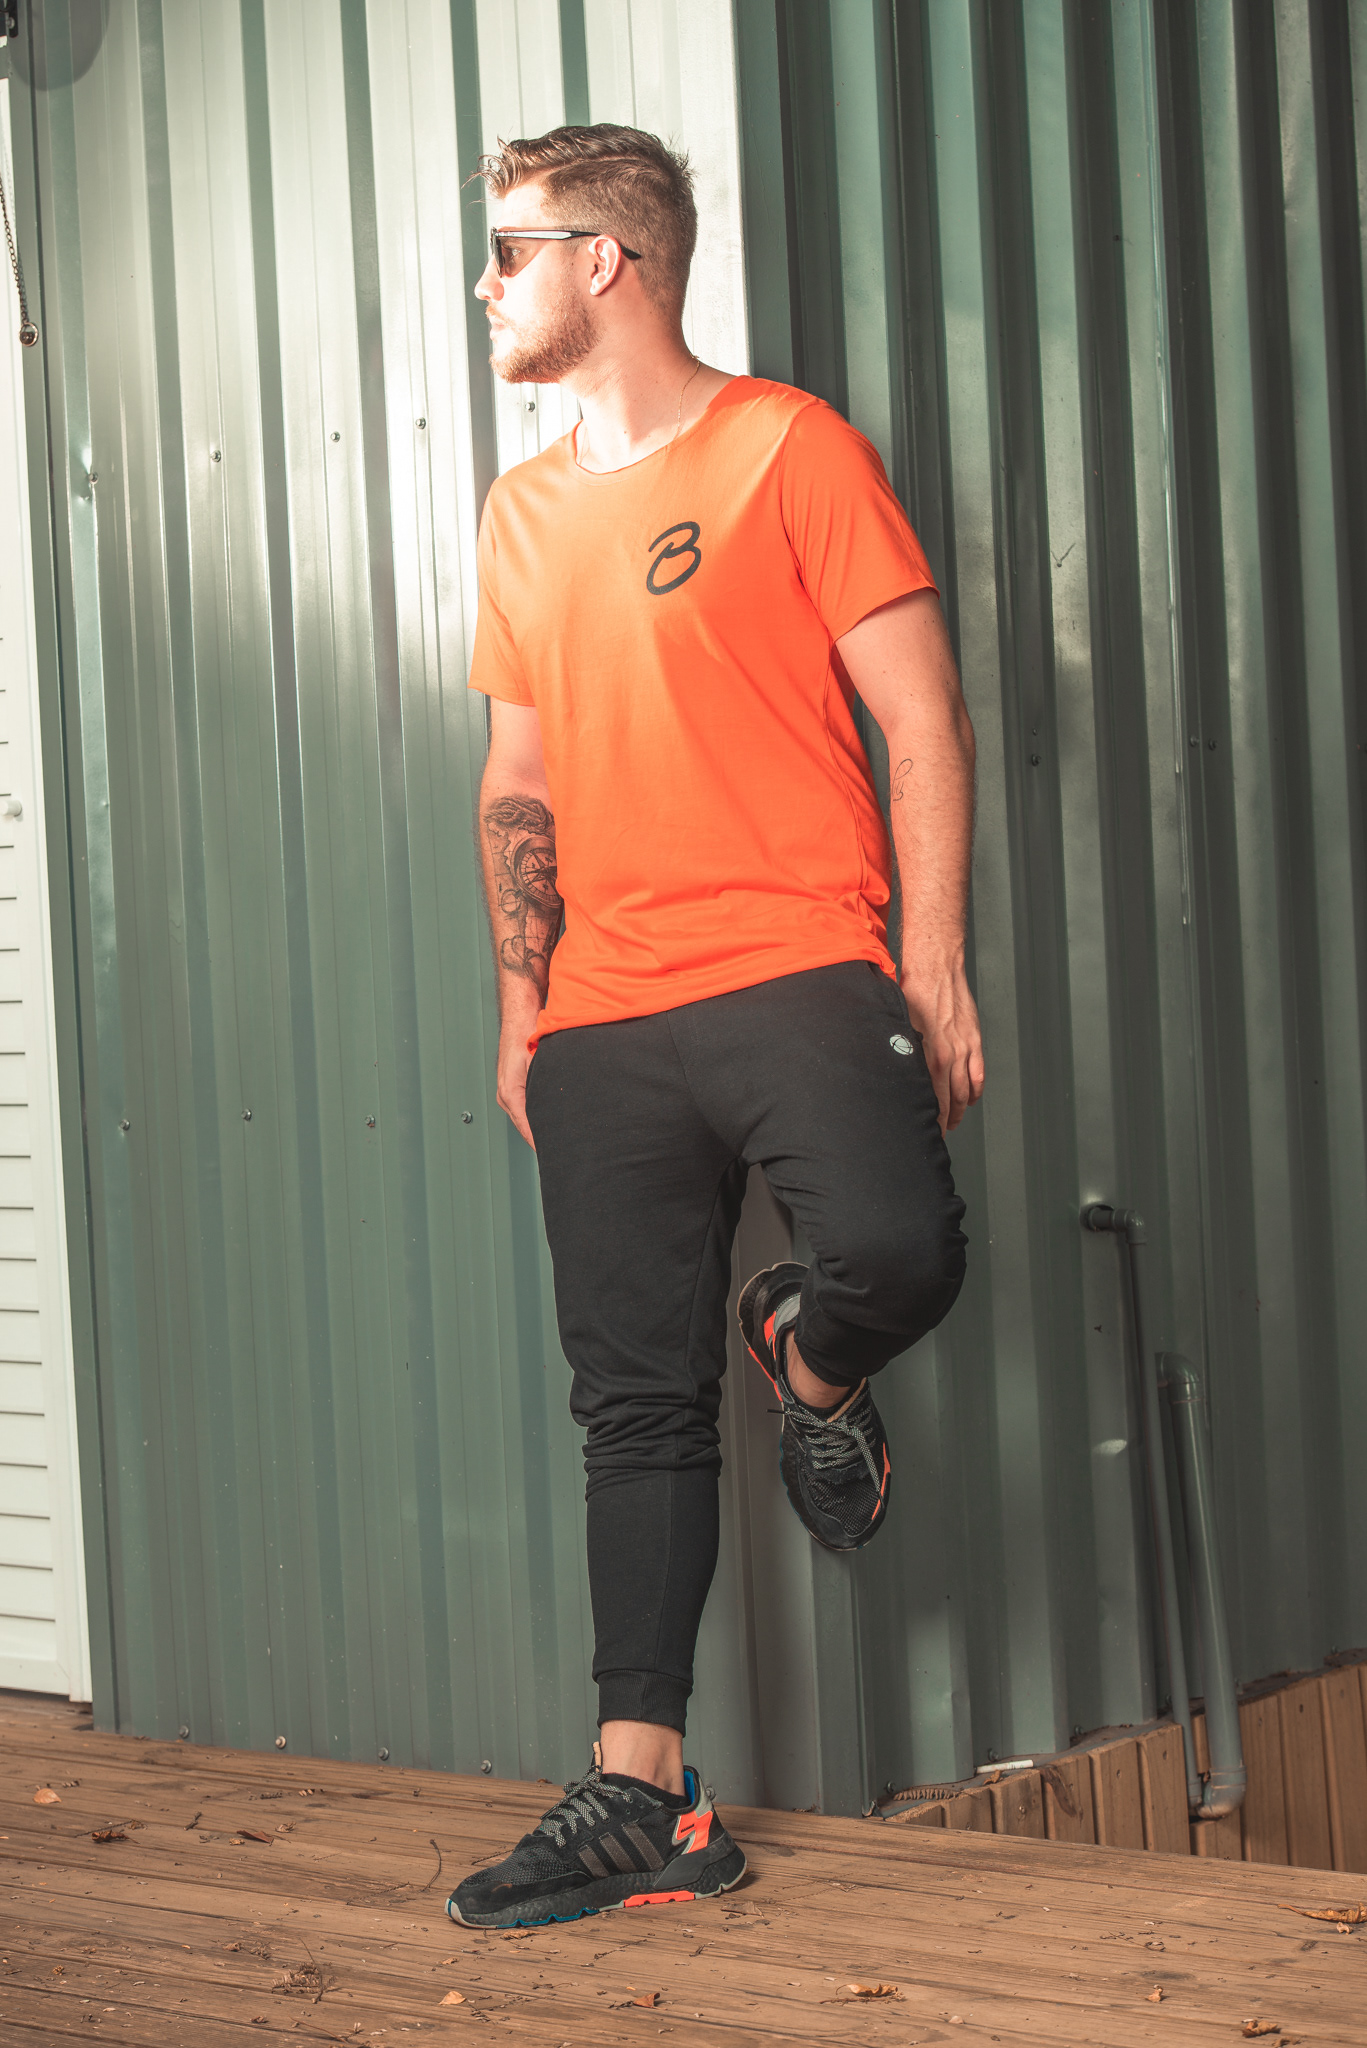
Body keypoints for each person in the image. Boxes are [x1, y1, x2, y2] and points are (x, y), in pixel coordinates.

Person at [447, 124, 982, 1931]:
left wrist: (935, 962)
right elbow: (518, 781)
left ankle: (810, 1363)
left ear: (606, 259)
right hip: (604, 1013)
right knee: (634, 1406)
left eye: (508, 248)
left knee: (901, 1247)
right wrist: (524, 1008)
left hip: (796, 959)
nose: (487, 283)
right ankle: (643, 1799)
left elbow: (921, 716)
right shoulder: (521, 514)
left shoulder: (789, 449)